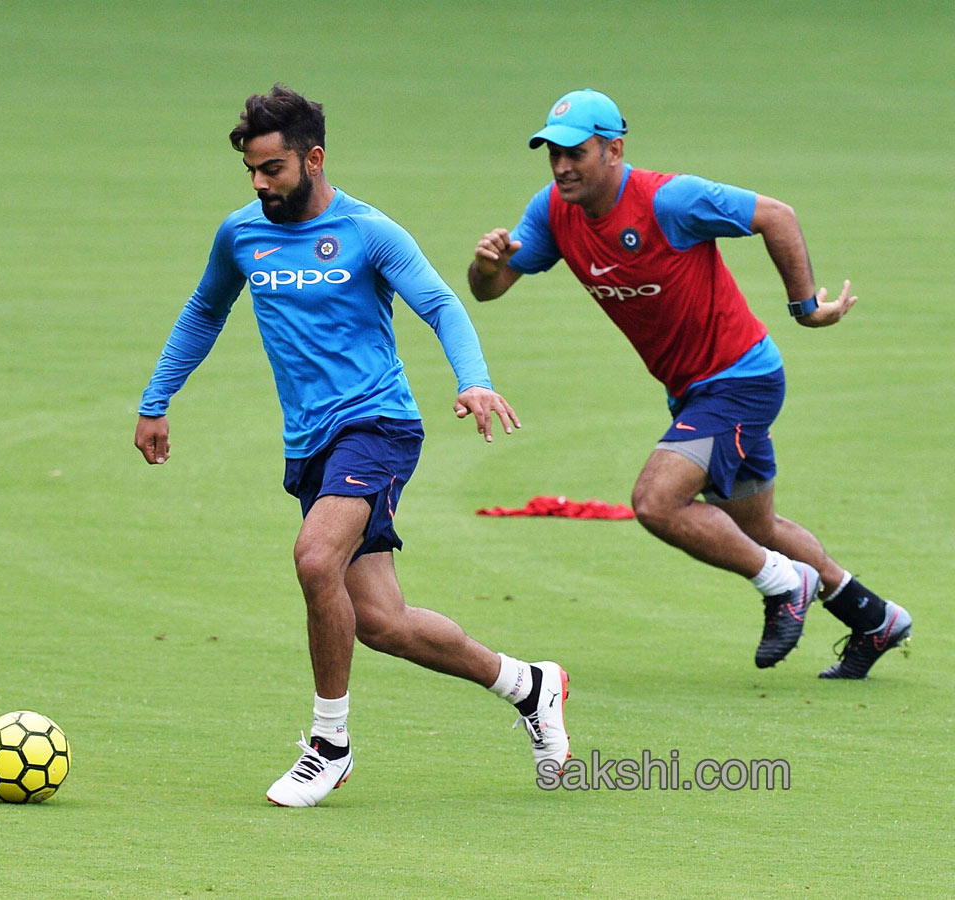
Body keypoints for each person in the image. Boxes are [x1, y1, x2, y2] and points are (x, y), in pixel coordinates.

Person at [135, 85, 569, 807]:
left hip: (378, 427)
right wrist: (156, 401)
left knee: (314, 558)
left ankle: (329, 746)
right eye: (250, 169)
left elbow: (438, 302)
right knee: (381, 623)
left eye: (271, 168)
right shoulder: (241, 234)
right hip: (311, 444)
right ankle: (529, 685)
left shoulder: (369, 231)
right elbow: (203, 311)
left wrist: (474, 380)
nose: (258, 183)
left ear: (314, 158)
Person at [468, 88, 912, 680]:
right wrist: (489, 265)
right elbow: (488, 289)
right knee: (757, 529)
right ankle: (875, 618)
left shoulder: (668, 199)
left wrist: (805, 307)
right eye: (552, 152)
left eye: (576, 152)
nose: (561, 165)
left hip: (741, 379)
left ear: (614, 149)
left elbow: (774, 215)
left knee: (656, 502)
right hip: (694, 391)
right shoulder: (553, 211)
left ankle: (786, 585)